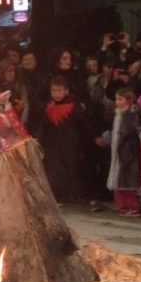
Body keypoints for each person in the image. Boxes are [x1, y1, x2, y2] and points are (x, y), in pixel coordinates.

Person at [38, 75, 85, 204]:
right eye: (54, 90)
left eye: (59, 90)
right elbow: (44, 126)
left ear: (66, 91)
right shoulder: (49, 107)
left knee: (69, 169)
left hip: (69, 144)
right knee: (54, 171)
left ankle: (69, 196)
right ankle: (57, 196)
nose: (56, 94)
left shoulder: (74, 106)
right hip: (52, 145)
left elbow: (82, 125)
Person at [103, 88, 141, 216]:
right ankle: (122, 206)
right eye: (116, 99)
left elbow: (137, 128)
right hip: (117, 151)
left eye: (120, 99)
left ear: (129, 100)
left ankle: (133, 207)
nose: (117, 102)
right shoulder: (118, 114)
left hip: (127, 151)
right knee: (118, 178)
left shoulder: (131, 114)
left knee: (127, 179)